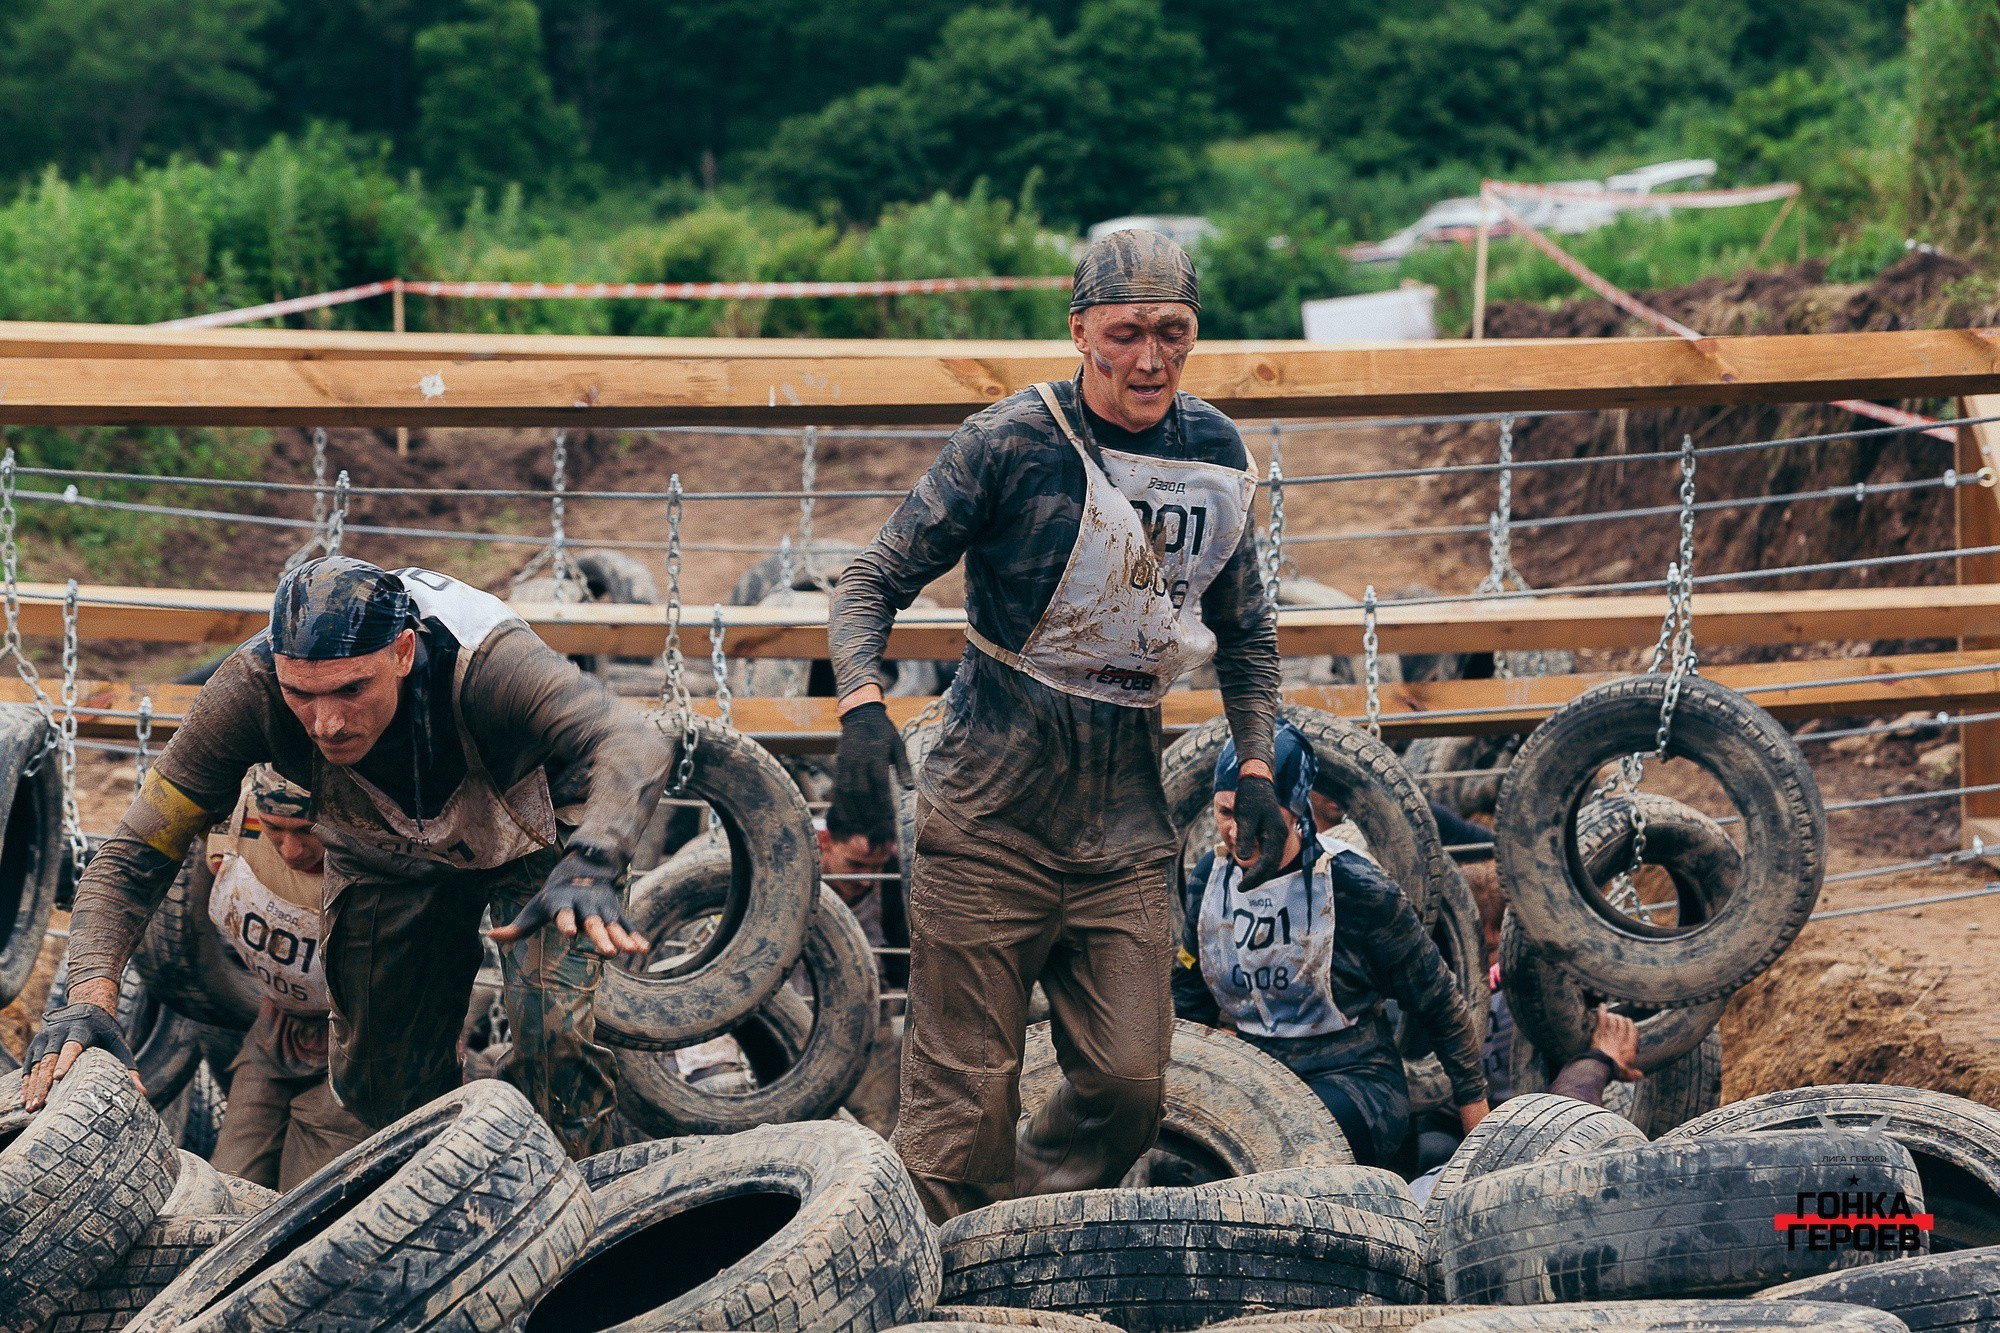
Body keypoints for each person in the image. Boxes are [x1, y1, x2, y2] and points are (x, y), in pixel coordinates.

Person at [830, 228, 1286, 1221]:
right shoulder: (1006, 444)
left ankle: (1015, 1228)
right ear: (1079, 331)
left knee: (1129, 1090)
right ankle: (947, 1278)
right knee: (959, 1110)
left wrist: (1257, 764)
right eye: (1125, 332)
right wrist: (861, 704)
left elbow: (1245, 633)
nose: (1149, 358)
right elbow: (870, 577)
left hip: (1121, 834)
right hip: (986, 822)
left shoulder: (1212, 454)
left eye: (1173, 332)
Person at [26, 557, 671, 1159]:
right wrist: (89, 996)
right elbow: (138, 850)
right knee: (375, 1083)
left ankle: (579, 1222)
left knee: (552, 1043)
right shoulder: (248, 692)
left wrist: (594, 859)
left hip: (541, 845)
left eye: (349, 690)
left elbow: (631, 738)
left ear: (402, 652)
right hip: (383, 849)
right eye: (301, 695)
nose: (326, 723)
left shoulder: (488, 661)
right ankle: (446, 1207)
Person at [1173, 721, 1490, 1168]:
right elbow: (1188, 997)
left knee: (1283, 1149)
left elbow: (1437, 998)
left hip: (1352, 1079)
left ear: (1295, 811)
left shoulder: (1355, 888)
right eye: (1226, 812)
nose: (1239, 831)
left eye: (1256, 814)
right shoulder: (1210, 878)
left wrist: (1475, 1113)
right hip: (1254, 1076)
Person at [202, 766, 373, 1190]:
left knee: (308, 1198)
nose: (292, 850)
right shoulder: (239, 822)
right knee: (226, 1183)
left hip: (361, 1044)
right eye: (275, 828)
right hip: (277, 1029)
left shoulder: (378, 850)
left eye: (307, 830)